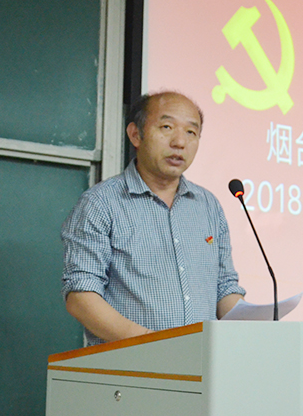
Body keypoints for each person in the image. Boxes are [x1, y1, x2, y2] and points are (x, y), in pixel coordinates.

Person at [61, 91, 245, 347]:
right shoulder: (101, 203)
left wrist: (258, 329)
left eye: (191, 132)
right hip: (132, 364)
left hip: (202, 364)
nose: (179, 142)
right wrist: (154, 344)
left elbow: (224, 288)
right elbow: (81, 296)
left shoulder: (208, 206)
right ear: (135, 134)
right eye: (166, 127)